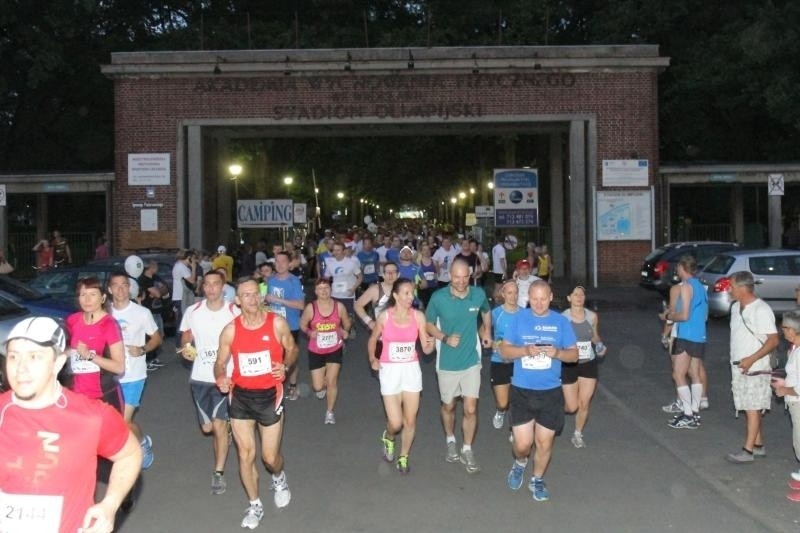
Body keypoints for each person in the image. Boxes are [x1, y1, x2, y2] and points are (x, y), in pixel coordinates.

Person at [0, 317, 142, 533]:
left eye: (34, 357)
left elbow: (129, 454)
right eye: (13, 357)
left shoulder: (92, 416)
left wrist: (110, 505)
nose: (21, 369)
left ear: (58, 363)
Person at [214, 277, 298, 529]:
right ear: (237, 301)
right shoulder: (230, 330)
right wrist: (220, 377)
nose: (252, 299)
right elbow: (220, 361)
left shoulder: (277, 323)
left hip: (270, 396)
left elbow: (292, 349)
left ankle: (279, 477)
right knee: (245, 454)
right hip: (240, 397)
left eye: (255, 294)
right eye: (246, 295)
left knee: (270, 457)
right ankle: (254, 504)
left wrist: (284, 366)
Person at [501, 281, 578, 502]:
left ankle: (536, 479)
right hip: (522, 391)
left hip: (551, 392)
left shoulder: (561, 322)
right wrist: (525, 350)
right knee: (523, 445)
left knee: (544, 443)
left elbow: (574, 355)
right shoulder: (519, 319)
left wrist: (557, 353)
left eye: (543, 298)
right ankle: (520, 462)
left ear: (551, 297)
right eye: (534, 298)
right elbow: (505, 350)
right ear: (528, 299)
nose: (539, 303)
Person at [425, 259, 492, 474]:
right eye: (456, 277)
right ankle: (451, 439)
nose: (461, 281)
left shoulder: (478, 294)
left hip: (472, 361)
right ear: (449, 275)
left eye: (465, 277)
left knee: (471, 407)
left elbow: (486, 311)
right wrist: (444, 338)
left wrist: (487, 330)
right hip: (447, 363)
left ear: (470, 275)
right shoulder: (438, 297)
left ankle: (467, 448)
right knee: (449, 406)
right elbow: (427, 324)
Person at [180, 270, 240, 495]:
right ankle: (226, 430)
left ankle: (218, 472)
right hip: (199, 378)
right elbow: (186, 337)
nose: (211, 288)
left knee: (218, 427)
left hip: (225, 377)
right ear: (202, 287)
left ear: (223, 287)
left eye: (216, 284)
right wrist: (186, 348)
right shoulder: (192, 311)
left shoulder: (234, 311)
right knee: (207, 428)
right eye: (207, 284)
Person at [368, 277, 435, 474]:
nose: (410, 296)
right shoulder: (385, 317)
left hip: (411, 371)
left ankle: (403, 456)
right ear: (396, 295)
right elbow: (372, 339)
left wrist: (430, 345)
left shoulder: (418, 317)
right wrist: (373, 358)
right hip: (389, 371)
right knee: (395, 423)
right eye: (405, 293)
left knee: (410, 420)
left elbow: (425, 348)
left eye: (411, 292)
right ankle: (389, 437)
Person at [108, 271, 162, 469]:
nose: (121, 289)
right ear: (109, 289)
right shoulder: (104, 313)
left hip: (134, 375)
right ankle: (136, 443)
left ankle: (141, 444)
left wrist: (143, 349)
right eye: (116, 285)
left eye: (124, 285)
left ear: (129, 288)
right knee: (114, 421)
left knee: (122, 421)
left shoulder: (141, 313)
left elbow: (156, 338)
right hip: (110, 376)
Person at [725, 270, 779, 463]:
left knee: (752, 406)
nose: (728, 290)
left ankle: (747, 451)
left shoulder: (761, 310)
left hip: (756, 367)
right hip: (739, 366)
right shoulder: (735, 307)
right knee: (749, 406)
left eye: (731, 286)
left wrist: (751, 359)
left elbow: (773, 341)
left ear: (742, 288)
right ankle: (758, 445)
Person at [658, 256, 708, 430]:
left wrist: (667, 316)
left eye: (677, 268)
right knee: (694, 372)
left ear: (682, 268)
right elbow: (705, 315)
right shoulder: (701, 286)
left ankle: (688, 414)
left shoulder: (685, 287)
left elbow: (683, 315)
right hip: (699, 334)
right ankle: (694, 412)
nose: (676, 271)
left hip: (686, 334)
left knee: (678, 374)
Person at [65, 277, 126, 411]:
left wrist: (90, 356)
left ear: (103, 298)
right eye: (83, 294)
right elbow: (67, 350)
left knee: (117, 431)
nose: (87, 300)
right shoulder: (72, 320)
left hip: (103, 394)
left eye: (93, 294)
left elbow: (119, 367)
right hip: (76, 394)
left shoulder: (109, 324)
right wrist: (65, 353)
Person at [300, 277, 351, 424]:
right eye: (320, 288)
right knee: (318, 386)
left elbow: (347, 322)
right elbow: (303, 324)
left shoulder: (339, 306)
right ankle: (320, 387)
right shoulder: (311, 308)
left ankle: (329, 412)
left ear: (331, 289)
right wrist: (310, 333)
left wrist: (345, 331)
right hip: (316, 350)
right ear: (316, 291)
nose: (324, 291)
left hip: (335, 348)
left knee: (332, 381)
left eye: (326, 288)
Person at [561, 285, 607, 448]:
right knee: (570, 406)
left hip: (588, 363)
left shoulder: (592, 316)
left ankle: (577, 434)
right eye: (575, 294)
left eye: (581, 294)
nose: (579, 297)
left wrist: (600, 345)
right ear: (569, 298)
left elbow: (594, 336)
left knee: (584, 402)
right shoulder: (563, 318)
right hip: (569, 364)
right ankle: (557, 408)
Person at [265, 251, 305, 401]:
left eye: (283, 261)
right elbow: (267, 301)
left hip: (290, 325)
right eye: (277, 261)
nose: (280, 264)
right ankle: (273, 385)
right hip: (272, 326)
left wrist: (277, 300)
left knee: (290, 356)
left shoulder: (294, 281)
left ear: (289, 264)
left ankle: (293, 385)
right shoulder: (270, 280)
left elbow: (300, 305)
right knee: (273, 356)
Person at [772, 311, 800, 499]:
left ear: (793, 329)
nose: (782, 332)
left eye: (784, 328)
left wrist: (785, 391)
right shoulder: (795, 348)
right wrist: (784, 383)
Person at [490, 279, 521, 430]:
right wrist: (489, 341)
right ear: (503, 294)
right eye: (509, 293)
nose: (513, 296)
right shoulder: (496, 313)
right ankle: (500, 411)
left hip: (520, 362)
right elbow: (483, 330)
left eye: (516, 293)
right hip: (500, 361)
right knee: (503, 403)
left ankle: (515, 430)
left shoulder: (525, 314)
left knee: (517, 401)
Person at [138, 259, 170, 371]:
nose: (157, 269)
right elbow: (158, 292)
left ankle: (154, 357)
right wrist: (158, 292)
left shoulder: (155, 278)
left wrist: (158, 292)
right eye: (155, 266)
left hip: (157, 310)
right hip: (149, 311)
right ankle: (148, 360)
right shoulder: (144, 280)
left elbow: (165, 288)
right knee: (151, 336)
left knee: (159, 335)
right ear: (150, 267)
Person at [323, 241, 362, 322]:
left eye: (338, 250)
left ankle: (350, 333)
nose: (335, 252)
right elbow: (325, 279)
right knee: (336, 319)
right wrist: (327, 290)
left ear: (343, 251)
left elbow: (360, 277)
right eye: (334, 250)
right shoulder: (330, 264)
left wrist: (354, 288)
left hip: (348, 296)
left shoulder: (351, 263)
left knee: (349, 319)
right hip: (335, 295)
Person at [172, 249, 199, 331]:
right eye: (193, 258)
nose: (194, 260)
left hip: (179, 296)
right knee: (182, 323)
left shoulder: (178, 265)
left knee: (181, 322)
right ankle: (180, 343)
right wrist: (194, 268)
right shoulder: (182, 267)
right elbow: (192, 280)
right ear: (189, 258)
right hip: (181, 297)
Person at [417, 243, 438, 309]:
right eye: (424, 250)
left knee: (433, 305)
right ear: (421, 252)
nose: (426, 251)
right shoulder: (418, 262)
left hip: (433, 287)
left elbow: (437, 273)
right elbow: (416, 275)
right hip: (423, 288)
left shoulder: (434, 261)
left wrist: (436, 279)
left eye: (428, 250)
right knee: (425, 306)